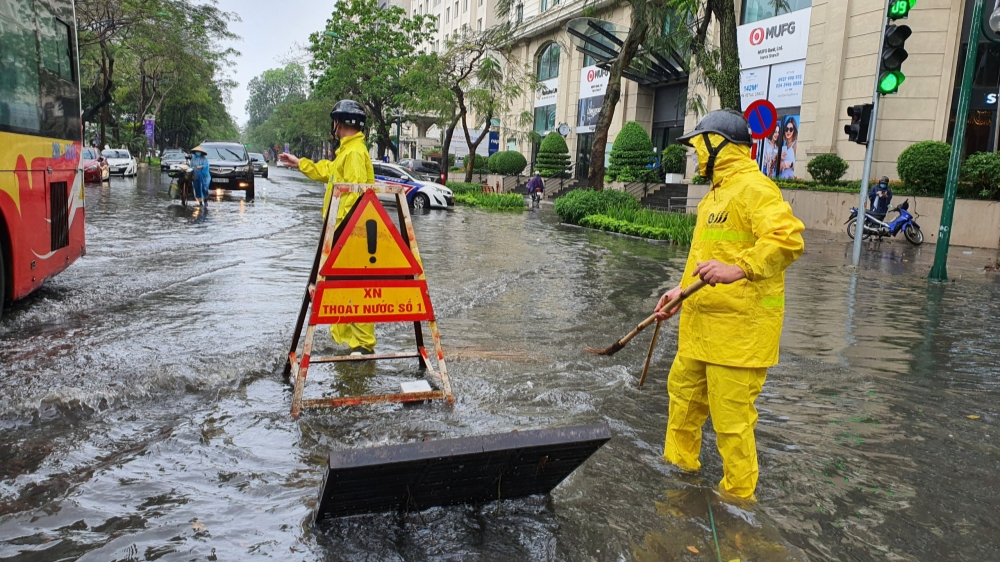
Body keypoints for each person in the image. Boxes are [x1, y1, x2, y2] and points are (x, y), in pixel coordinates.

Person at [653, 109, 805, 501]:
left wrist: (739, 269)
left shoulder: (757, 189)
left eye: (699, 145)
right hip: (699, 331)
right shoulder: (714, 197)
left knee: (732, 425)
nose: (695, 154)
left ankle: (738, 506)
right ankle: (678, 480)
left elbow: (787, 240)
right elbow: (706, 261)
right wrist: (678, 293)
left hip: (739, 339)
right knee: (682, 404)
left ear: (718, 144)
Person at [279, 100, 377, 355]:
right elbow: (328, 171)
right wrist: (298, 163)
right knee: (341, 286)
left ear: (340, 123)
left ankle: (364, 345)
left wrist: (337, 231)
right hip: (346, 232)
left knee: (355, 286)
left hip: (350, 234)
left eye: (334, 123)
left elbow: (354, 195)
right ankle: (349, 342)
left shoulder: (354, 152)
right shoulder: (347, 151)